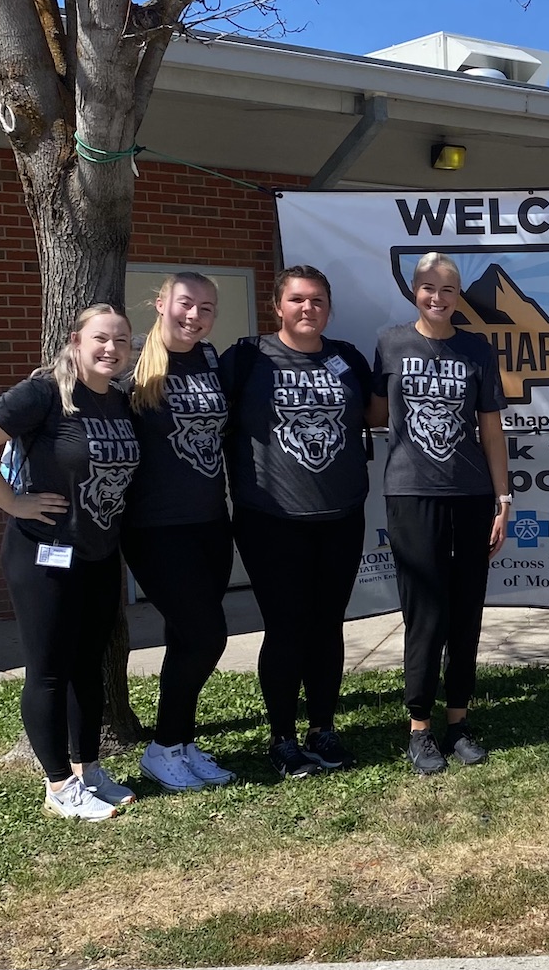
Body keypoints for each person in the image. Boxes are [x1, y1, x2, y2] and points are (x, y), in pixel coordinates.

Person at [0, 305, 141, 821]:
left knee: (88, 667)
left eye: (121, 341)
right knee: (49, 670)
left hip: (99, 554)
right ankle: (58, 784)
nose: (111, 349)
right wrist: (12, 502)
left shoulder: (119, 402)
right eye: (101, 338)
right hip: (42, 553)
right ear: (77, 341)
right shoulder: (43, 393)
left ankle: (88, 769)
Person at [222, 265, 384, 779]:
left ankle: (323, 728)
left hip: (340, 516)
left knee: (328, 625)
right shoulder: (247, 357)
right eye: (297, 300)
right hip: (270, 518)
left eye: (317, 300)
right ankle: (283, 737)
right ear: (278, 306)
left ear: (328, 307)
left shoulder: (347, 358)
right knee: (287, 627)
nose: (307, 308)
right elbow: (203, 415)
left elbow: (376, 416)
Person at [374, 252, 511, 775]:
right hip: (410, 495)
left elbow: (492, 429)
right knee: (425, 613)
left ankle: (458, 723)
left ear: (459, 297)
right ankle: (419, 729)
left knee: (466, 612)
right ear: (415, 291)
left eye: (447, 289)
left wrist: (504, 498)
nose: (437, 297)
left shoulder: (477, 348)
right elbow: (373, 411)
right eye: (428, 287)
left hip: (471, 495)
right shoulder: (390, 342)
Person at [122, 273, 237, 792]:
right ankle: (164, 747)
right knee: (207, 635)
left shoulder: (209, 360)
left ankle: (181, 743)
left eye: (206, 308)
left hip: (211, 522)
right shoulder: (130, 370)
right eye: (186, 304)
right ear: (161, 304)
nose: (194, 316)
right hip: (155, 528)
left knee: (184, 638)